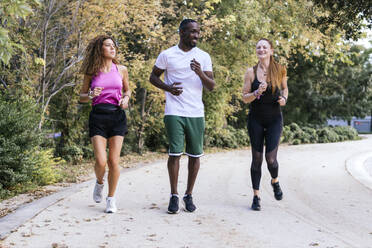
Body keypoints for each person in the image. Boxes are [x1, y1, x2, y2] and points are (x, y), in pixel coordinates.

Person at [149, 19, 215, 214]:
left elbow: (211, 86)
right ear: (182, 32)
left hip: (196, 112)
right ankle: (174, 196)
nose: (196, 35)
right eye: (192, 32)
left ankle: (189, 194)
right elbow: (153, 77)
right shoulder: (167, 55)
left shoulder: (203, 56)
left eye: (198, 32)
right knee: (175, 153)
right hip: (174, 111)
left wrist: (200, 72)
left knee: (195, 155)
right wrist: (168, 88)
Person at [79, 35, 131, 213]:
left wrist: (126, 98)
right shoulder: (91, 71)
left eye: (113, 45)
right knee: (101, 162)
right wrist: (91, 94)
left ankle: (111, 199)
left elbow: (128, 89)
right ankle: (99, 182)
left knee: (113, 160)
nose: (112, 48)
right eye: (108, 45)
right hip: (98, 117)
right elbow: (81, 97)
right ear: (100, 49)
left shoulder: (121, 69)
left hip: (117, 116)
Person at [242, 38, 288, 211]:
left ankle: (275, 181)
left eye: (264, 47)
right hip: (256, 119)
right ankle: (256, 196)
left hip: (274, 119)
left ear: (271, 51)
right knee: (257, 159)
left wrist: (284, 99)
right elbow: (245, 98)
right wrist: (256, 92)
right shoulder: (250, 72)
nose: (261, 49)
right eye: (258, 47)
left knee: (271, 159)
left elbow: (285, 89)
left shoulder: (280, 70)